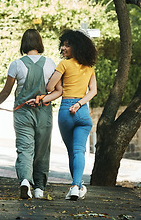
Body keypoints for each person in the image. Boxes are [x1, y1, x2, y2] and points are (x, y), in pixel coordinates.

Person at [0, 29, 62, 199]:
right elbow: (57, 90)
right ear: (40, 43)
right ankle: (39, 187)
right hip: (44, 112)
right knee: (42, 150)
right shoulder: (51, 64)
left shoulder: (16, 64)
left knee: (24, 148)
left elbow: (7, 90)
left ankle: (25, 181)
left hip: (22, 113)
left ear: (23, 44)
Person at [46, 29, 97, 200]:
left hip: (66, 110)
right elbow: (93, 91)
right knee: (78, 152)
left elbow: (50, 87)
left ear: (77, 47)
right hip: (82, 111)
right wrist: (80, 103)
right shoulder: (90, 67)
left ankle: (76, 186)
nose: (63, 48)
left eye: (67, 45)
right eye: (63, 45)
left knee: (72, 153)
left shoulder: (63, 65)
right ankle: (77, 186)